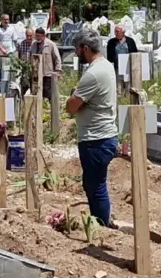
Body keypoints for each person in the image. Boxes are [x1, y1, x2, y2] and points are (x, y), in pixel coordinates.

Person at [65, 35, 121, 228]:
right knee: (95, 183)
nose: (76, 52)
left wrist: (74, 96)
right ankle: (101, 222)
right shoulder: (105, 66)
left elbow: (71, 106)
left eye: (78, 48)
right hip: (103, 134)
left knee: (95, 185)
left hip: (95, 138)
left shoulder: (93, 74)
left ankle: (101, 226)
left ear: (86, 48)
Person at [21, 27, 61, 100]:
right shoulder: (33, 44)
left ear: (44, 36)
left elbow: (57, 58)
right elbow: (30, 57)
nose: (38, 38)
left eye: (39, 36)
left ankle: (47, 109)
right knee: (35, 93)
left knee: (47, 94)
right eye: (36, 36)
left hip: (47, 73)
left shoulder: (50, 44)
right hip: (35, 74)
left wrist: (58, 71)